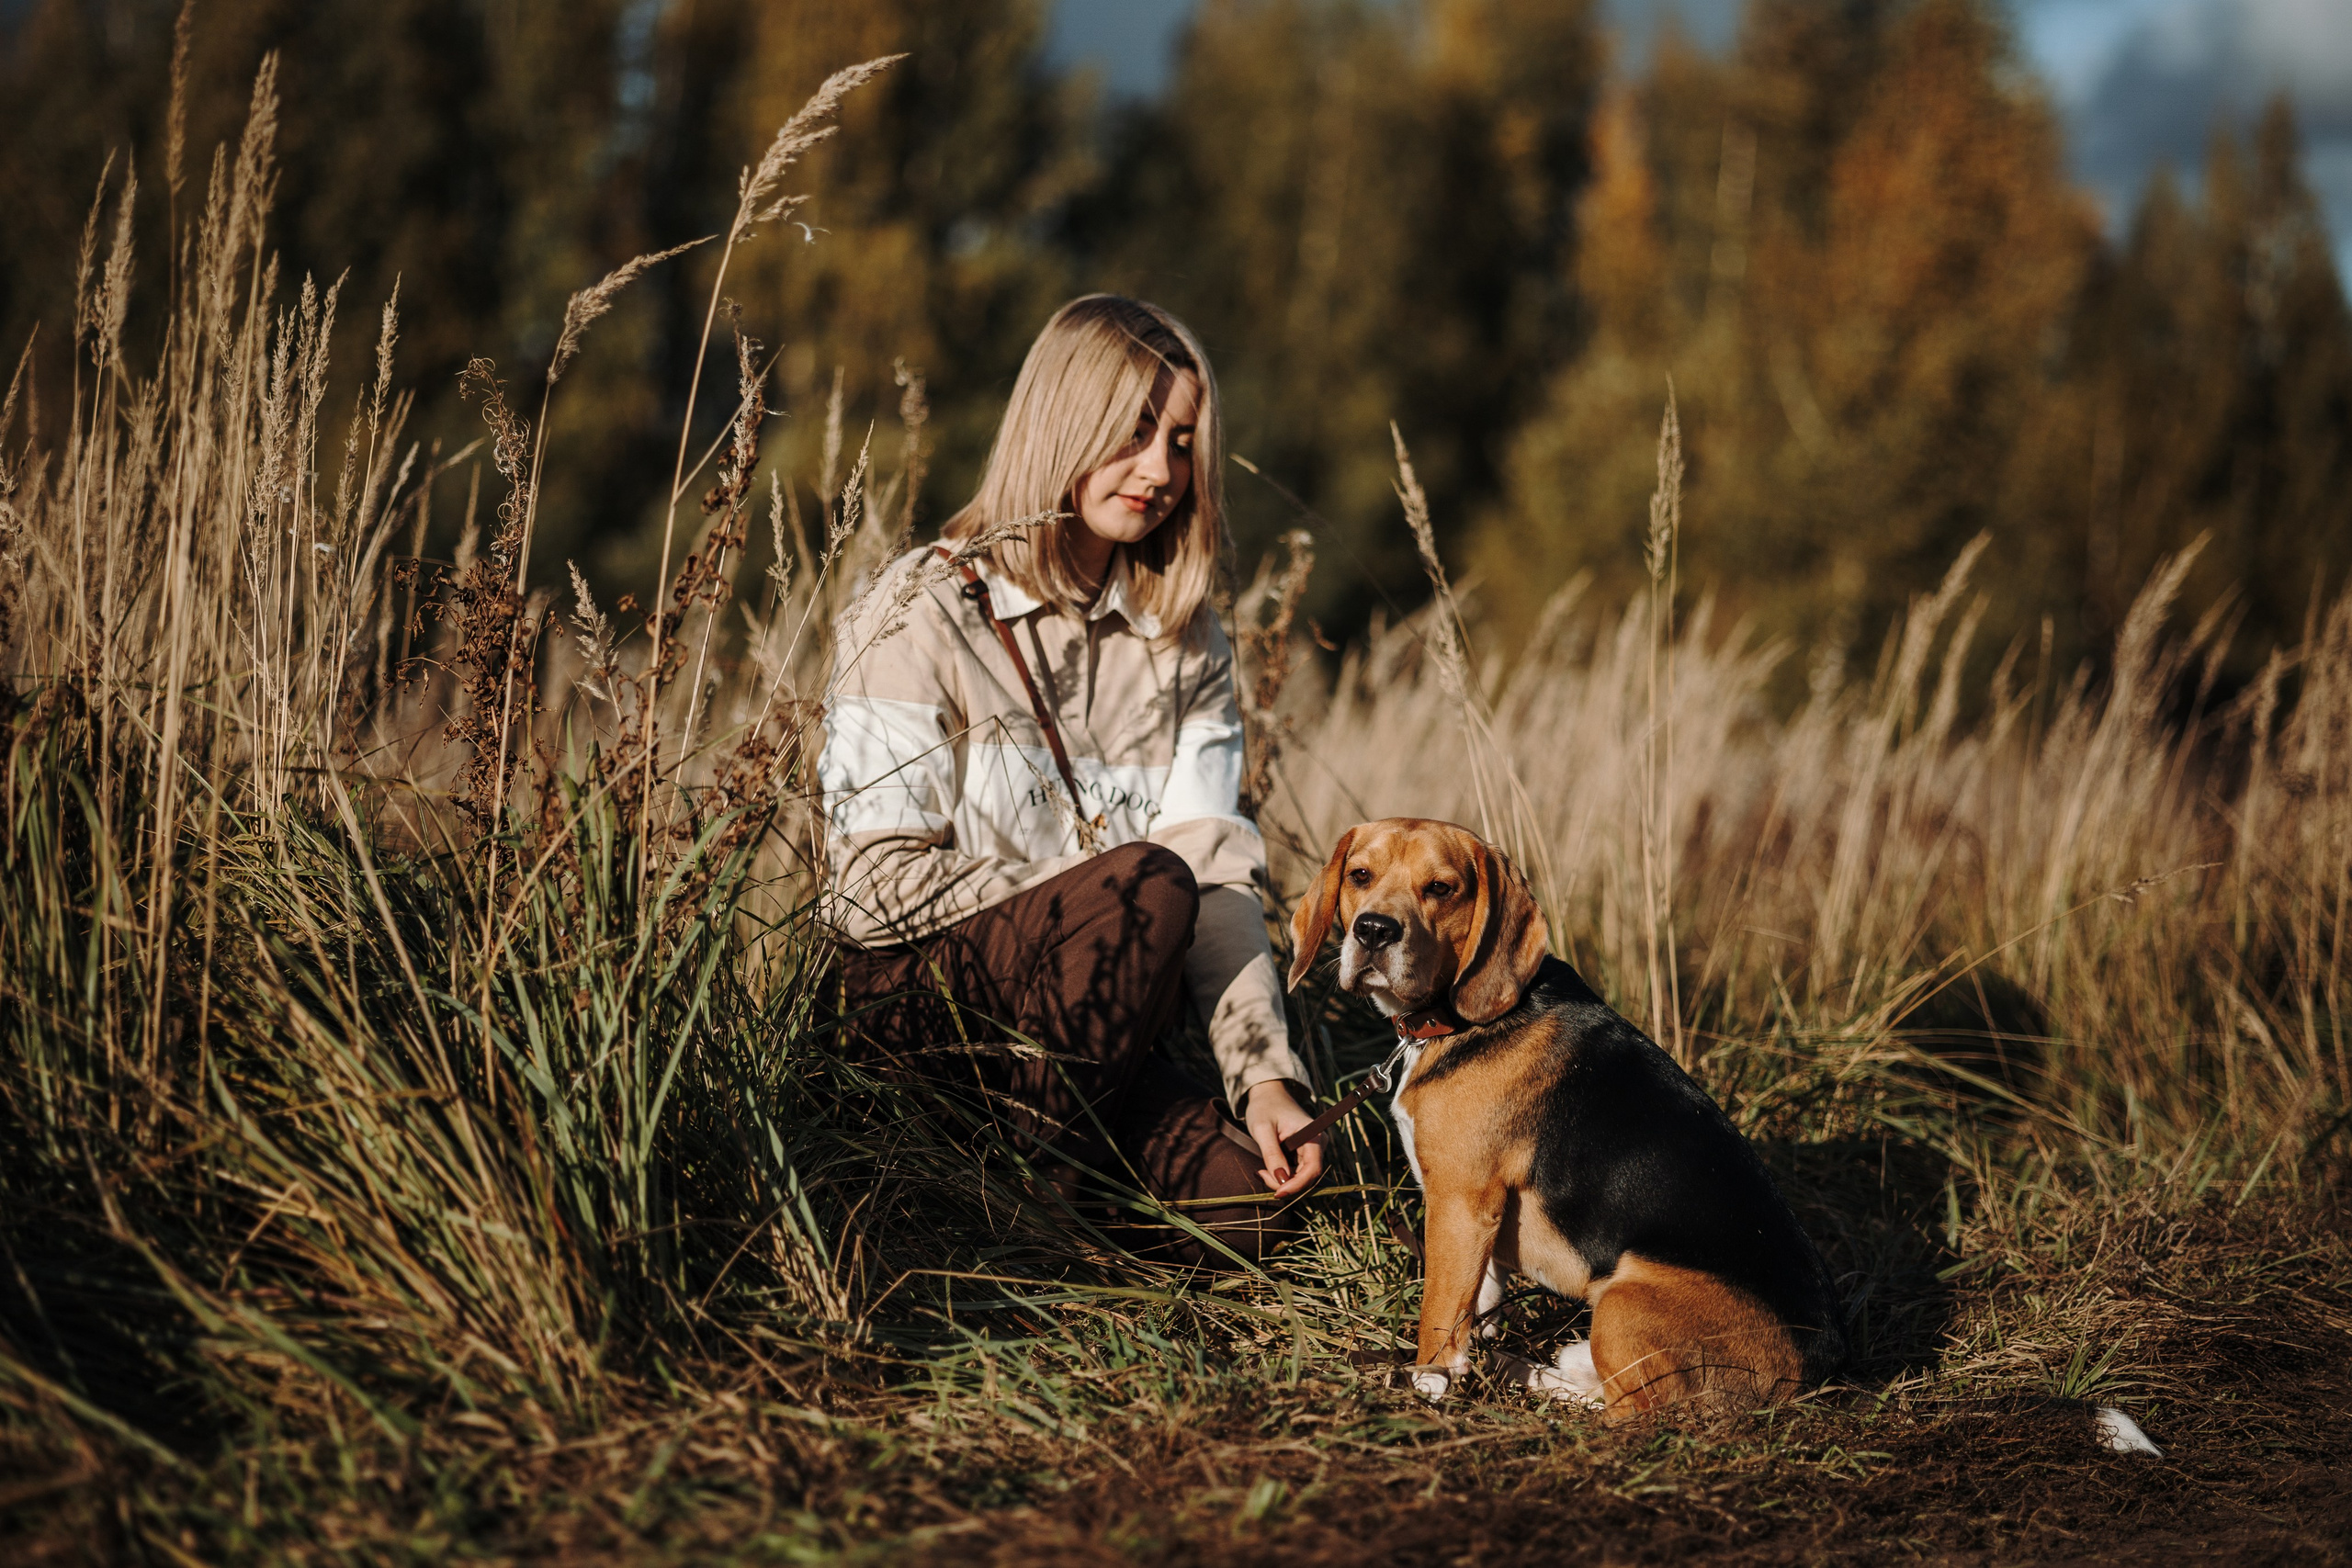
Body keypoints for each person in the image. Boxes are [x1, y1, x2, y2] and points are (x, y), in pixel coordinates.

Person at [817, 294, 1324, 1263]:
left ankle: (1024, 1203)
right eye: (1135, 431)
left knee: (1252, 1207)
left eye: (1181, 442)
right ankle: (1021, 1227)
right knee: (1140, 882)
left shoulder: (1186, 642)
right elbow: (863, 887)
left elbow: (1215, 877)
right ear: (1063, 421)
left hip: (1098, 1043)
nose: (1161, 471)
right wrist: (1085, 901)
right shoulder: (919, 607)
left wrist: (1263, 1077)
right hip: (923, 1027)